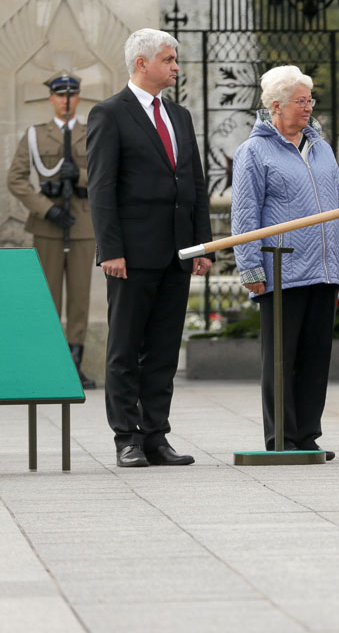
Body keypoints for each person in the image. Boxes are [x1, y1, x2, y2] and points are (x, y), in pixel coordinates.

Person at [87, 29, 212, 468]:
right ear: (142, 63)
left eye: (175, 59)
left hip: (177, 253)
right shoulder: (109, 114)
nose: (176, 67)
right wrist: (111, 249)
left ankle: (156, 436)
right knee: (125, 348)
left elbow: (194, 183)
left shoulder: (180, 116)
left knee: (162, 350)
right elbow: (101, 190)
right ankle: (127, 437)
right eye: (168, 59)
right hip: (132, 254)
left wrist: (201, 244)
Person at [232, 66, 339, 458]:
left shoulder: (321, 148)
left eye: (310, 100)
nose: (309, 108)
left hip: (323, 269)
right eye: (301, 101)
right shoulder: (253, 151)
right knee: (282, 359)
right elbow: (244, 213)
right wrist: (250, 268)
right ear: (275, 106)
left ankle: (307, 437)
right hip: (281, 270)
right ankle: (282, 439)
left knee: (315, 358)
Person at [8, 72, 96, 390]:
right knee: (46, 298)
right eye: (60, 95)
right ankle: (45, 364)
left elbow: (106, 173)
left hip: (83, 224)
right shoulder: (35, 135)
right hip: (48, 225)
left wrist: (81, 176)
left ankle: (74, 365)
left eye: (72, 94)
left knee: (79, 299)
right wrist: (48, 209)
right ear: (51, 98)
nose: (66, 100)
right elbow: (16, 179)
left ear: (79, 97)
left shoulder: (92, 133)